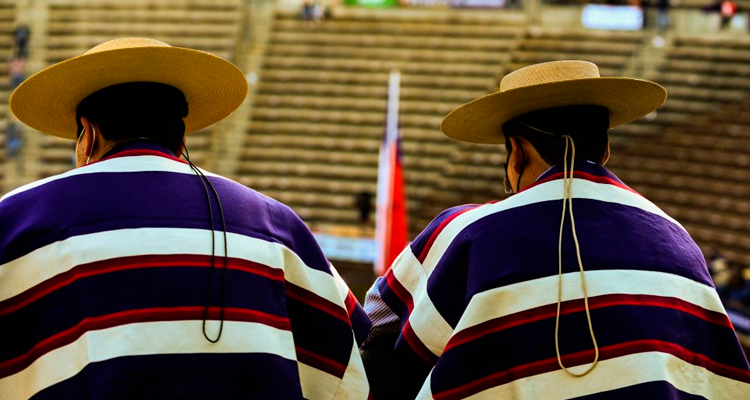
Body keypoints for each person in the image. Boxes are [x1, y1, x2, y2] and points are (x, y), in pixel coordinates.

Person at [0, 38, 370, 399]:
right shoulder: (276, 224)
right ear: (180, 139)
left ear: (90, 133)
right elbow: (346, 360)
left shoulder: (16, 219)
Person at [361, 60, 750, 399]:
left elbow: (376, 330)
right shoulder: (678, 240)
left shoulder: (467, 230)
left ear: (517, 151)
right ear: (605, 148)